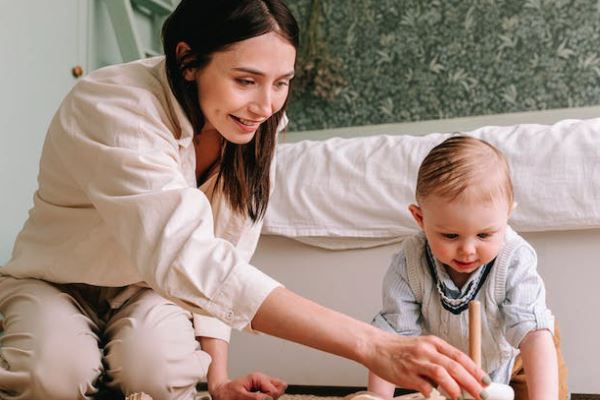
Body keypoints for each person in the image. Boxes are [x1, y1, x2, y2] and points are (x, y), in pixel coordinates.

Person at [0, 1, 489, 399]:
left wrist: (217, 381)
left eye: (282, 83)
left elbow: (226, 251)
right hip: (54, 280)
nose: (266, 106)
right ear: (188, 61)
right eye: (246, 80)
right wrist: (371, 345)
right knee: (52, 373)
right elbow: (188, 257)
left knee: (158, 375)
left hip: (149, 289)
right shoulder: (110, 105)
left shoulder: (258, 126)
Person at [367, 136, 568, 399]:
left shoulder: (515, 258)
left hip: (520, 357)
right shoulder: (410, 261)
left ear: (507, 214)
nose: (468, 250)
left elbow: (533, 336)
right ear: (420, 218)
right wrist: (376, 397)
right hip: (456, 364)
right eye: (450, 236)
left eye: (484, 235)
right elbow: (393, 340)